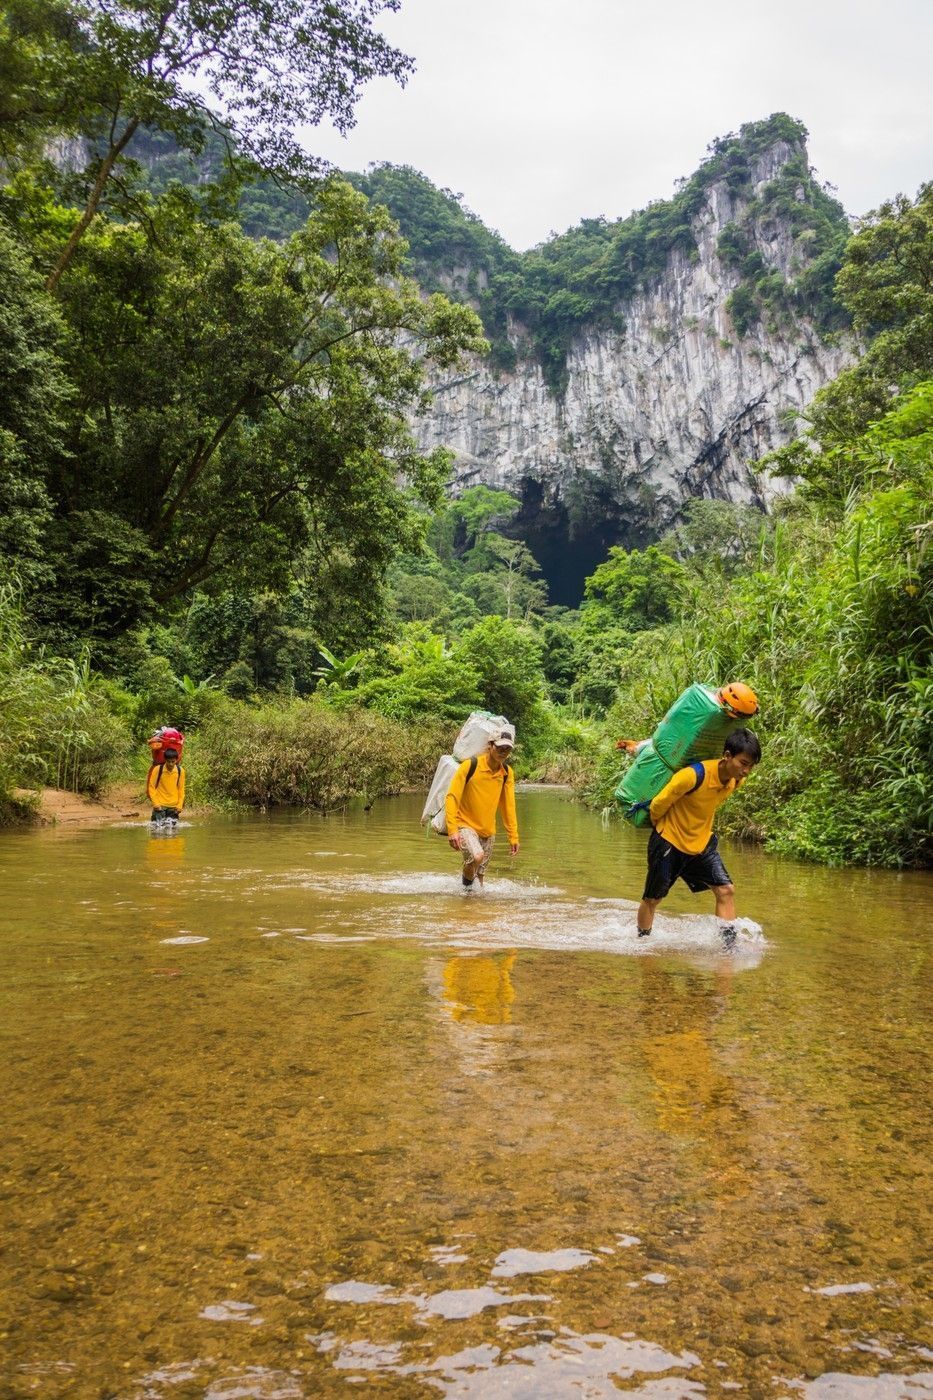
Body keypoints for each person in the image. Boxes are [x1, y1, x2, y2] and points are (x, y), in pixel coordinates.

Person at [635, 728, 761, 948]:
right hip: (669, 842)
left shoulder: (734, 781)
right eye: (743, 763)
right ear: (727, 755)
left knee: (726, 890)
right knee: (652, 899)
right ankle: (642, 944)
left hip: (700, 845)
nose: (746, 770)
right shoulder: (692, 776)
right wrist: (665, 828)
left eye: (750, 765)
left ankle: (728, 948)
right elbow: (658, 806)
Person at [445, 727, 520, 889]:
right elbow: (452, 797)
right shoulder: (470, 766)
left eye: (507, 748)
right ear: (490, 746)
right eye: (499, 747)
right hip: (464, 825)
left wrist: (513, 836)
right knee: (476, 856)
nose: (503, 751)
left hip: (488, 831)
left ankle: (469, 904)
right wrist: (452, 829)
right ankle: (466, 890)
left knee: (480, 877)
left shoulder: (506, 773)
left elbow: (508, 806)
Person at [147, 746, 185, 825]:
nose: (171, 764)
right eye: (168, 761)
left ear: (176, 760)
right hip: (160, 806)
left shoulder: (180, 771)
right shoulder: (157, 769)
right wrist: (156, 804)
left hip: (174, 808)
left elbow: (181, 789)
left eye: (173, 761)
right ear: (165, 760)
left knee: (173, 834)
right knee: (157, 833)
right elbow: (151, 787)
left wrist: (179, 805)